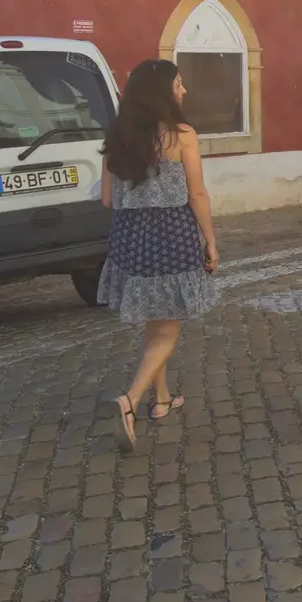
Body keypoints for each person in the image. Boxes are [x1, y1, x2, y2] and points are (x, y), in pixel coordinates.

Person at [98, 59, 220, 452]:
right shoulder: (181, 134)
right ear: (161, 92)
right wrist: (211, 240)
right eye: (179, 84)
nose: (183, 91)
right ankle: (130, 401)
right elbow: (197, 194)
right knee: (169, 328)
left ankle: (162, 398)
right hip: (171, 235)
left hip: (129, 240)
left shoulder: (116, 137)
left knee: (156, 320)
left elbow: (105, 199)